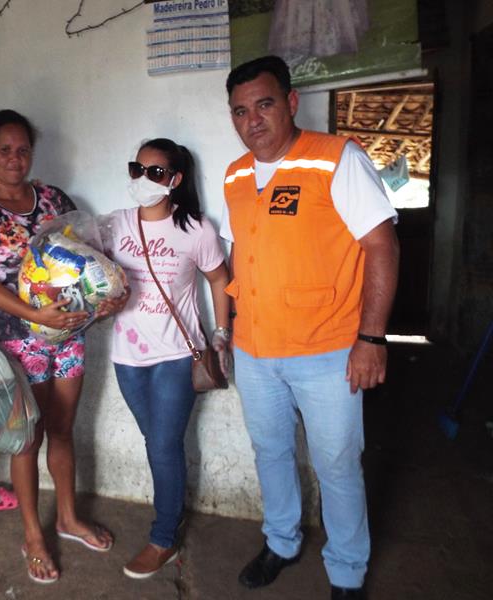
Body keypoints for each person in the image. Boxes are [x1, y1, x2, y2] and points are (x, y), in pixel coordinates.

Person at [220, 56, 399, 600]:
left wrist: (370, 339)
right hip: (255, 348)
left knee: (337, 464)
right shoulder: (235, 174)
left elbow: (382, 246)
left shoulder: (336, 158)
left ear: (291, 102)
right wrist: (226, 332)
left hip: (327, 350)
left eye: (265, 104)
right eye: (240, 111)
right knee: (270, 452)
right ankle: (281, 541)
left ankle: (347, 570)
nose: (253, 120)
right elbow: (240, 253)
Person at [0, 109, 120, 584]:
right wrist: (34, 315)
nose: (14, 159)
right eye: (4, 150)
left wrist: (101, 300)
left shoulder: (53, 199)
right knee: (26, 437)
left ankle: (67, 518)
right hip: (15, 340)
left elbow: (86, 259)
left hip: (68, 334)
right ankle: (33, 534)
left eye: (22, 149)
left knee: (63, 428)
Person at [102, 138, 230, 579]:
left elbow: (218, 277)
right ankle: (170, 523)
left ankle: (163, 538)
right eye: (137, 168)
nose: (142, 179)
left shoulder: (195, 228)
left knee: (162, 445)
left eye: (155, 172)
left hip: (177, 355)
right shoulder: (115, 224)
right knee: (159, 444)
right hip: (127, 358)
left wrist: (222, 332)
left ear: (175, 180)